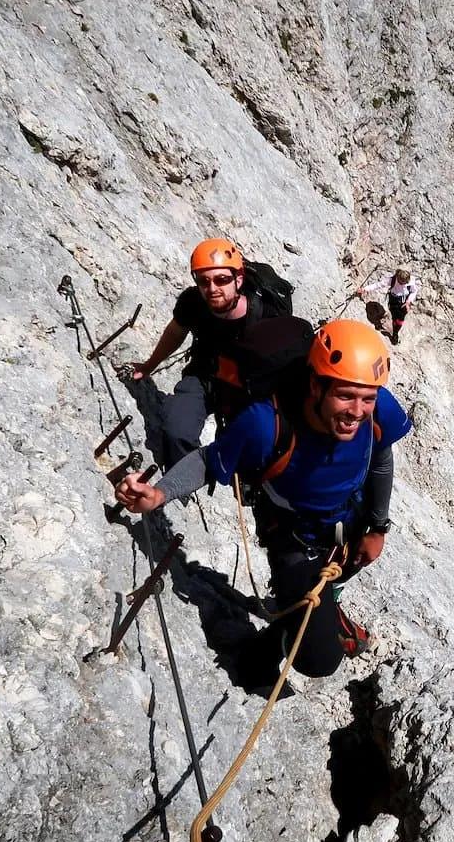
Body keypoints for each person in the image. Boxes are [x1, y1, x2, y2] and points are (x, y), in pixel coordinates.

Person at [115, 319, 412, 678]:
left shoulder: (377, 408)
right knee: (319, 661)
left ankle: (289, 634)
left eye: (367, 398)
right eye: (345, 396)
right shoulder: (264, 424)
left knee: (329, 587)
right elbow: (209, 460)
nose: (357, 411)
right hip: (293, 539)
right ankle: (286, 636)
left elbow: (381, 455)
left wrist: (378, 527)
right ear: (316, 385)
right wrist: (159, 493)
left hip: (350, 526)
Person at [126, 238, 288, 466]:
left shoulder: (266, 316)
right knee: (176, 431)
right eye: (204, 281)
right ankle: (180, 487)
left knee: (252, 450)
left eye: (222, 280)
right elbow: (175, 331)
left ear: (238, 279)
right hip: (204, 376)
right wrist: (149, 365)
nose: (213, 289)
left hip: (248, 388)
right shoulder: (193, 302)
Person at [358, 265, 418, 345]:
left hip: (404, 302)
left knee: (400, 320)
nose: (402, 284)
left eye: (404, 283)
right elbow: (378, 285)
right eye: (400, 282)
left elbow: (414, 291)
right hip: (393, 300)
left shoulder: (411, 282)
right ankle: (394, 331)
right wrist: (365, 289)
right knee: (394, 317)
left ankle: (395, 333)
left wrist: (408, 301)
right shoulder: (392, 280)